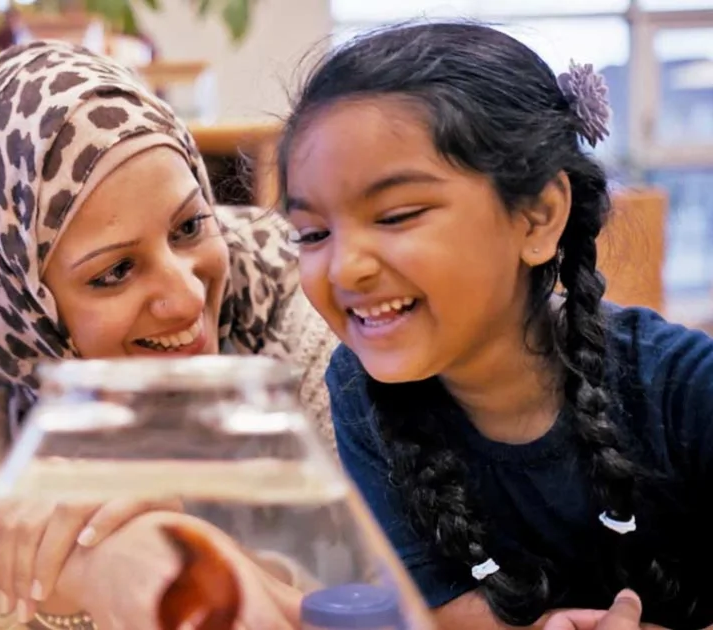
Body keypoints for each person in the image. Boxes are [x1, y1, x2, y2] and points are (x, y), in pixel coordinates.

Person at [280, 19, 713, 630]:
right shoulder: (360, 389)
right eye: (313, 234)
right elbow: (434, 607)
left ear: (537, 217)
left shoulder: (686, 388)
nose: (345, 266)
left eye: (397, 215)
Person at [0, 40, 338, 628]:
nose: (186, 296)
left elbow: (367, 578)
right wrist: (100, 558)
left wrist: (180, 523)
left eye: (188, 226)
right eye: (114, 272)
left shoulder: (298, 291)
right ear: (20, 307)